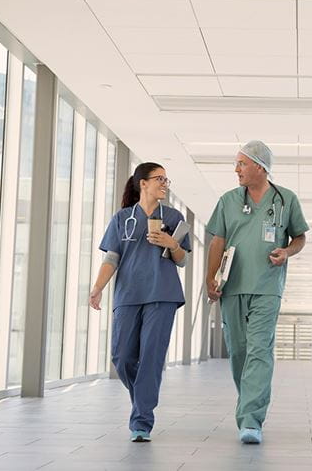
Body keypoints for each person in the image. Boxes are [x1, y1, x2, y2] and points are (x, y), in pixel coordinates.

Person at [206, 140, 309, 444]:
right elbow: (217, 242)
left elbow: (300, 237)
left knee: (259, 350)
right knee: (239, 351)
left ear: (261, 168)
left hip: (266, 286)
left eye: (242, 163)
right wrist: (210, 279)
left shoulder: (286, 199)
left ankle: (251, 419)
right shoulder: (228, 200)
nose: (236, 169)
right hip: (232, 286)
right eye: (237, 163)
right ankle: (249, 401)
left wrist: (287, 252)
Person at [89, 162, 190, 443]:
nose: (164, 184)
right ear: (142, 183)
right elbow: (112, 258)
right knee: (121, 357)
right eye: (159, 179)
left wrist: (172, 244)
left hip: (163, 294)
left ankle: (141, 421)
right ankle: (142, 400)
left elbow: (183, 260)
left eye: (166, 180)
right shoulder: (123, 218)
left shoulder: (173, 216)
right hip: (128, 294)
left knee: (150, 359)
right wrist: (97, 288)